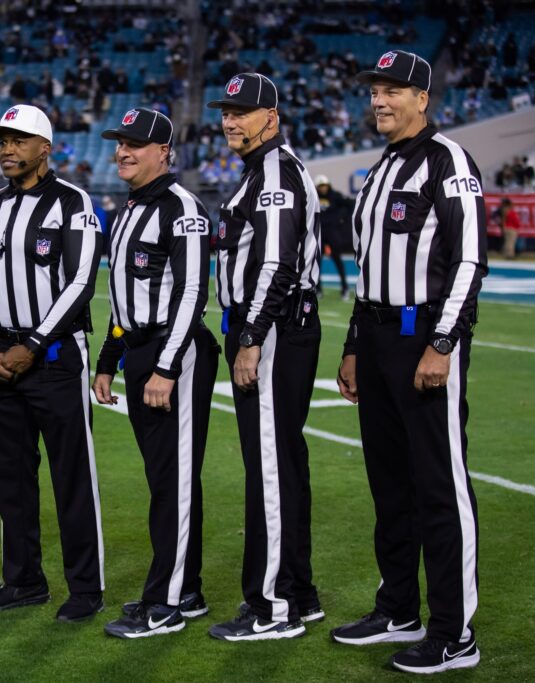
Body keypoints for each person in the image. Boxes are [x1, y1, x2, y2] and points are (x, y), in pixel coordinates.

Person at [332, 50, 485, 674]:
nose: (379, 100)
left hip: (424, 337)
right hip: (376, 340)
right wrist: (351, 345)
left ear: (423, 97)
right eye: (374, 90)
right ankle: (398, 607)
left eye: (393, 89)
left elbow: (471, 259)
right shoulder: (379, 169)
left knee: (439, 486)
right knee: (390, 484)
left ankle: (454, 633)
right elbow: (369, 272)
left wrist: (442, 344)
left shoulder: (448, 160)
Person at [0, 104, 105, 622]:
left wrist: (36, 343)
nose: (6, 150)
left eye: (18, 141)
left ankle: (85, 588)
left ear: (45, 147)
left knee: (72, 478)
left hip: (56, 359)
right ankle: (24, 581)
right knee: (9, 478)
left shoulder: (73, 204)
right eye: (1, 141)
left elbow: (81, 282)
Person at [202, 73, 324, 642]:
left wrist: (251, 338)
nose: (231, 121)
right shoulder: (262, 170)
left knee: (270, 471)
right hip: (273, 328)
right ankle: (298, 590)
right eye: (226, 111)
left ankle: (273, 608)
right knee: (282, 464)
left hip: (271, 331)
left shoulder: (274, 173)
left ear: (271, 116)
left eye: (243, 111)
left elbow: (277, 265)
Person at [92, 108, 219, 639]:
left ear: (165, 151)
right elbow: (126, 299)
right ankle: (184, 589)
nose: (123, 151)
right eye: (120, 143)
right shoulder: (127, 209)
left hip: (177, 353)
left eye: (136, 144)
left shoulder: (181, 207)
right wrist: (108, 358)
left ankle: (164, 604)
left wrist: (166, 366)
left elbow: (192, 291)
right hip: (142, 350)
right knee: (165, 479)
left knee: (175, 482)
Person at [313, 174, 351, 300]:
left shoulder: (335, 196)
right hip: (319, 234)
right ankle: (318, 289)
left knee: (337, 260)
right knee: (317, 263)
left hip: (332, 233)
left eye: (324, 186)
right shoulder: (313, 197)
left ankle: (345, 288)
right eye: (320, 186)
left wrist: (342, 220)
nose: (323, 188)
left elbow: (349, 205)